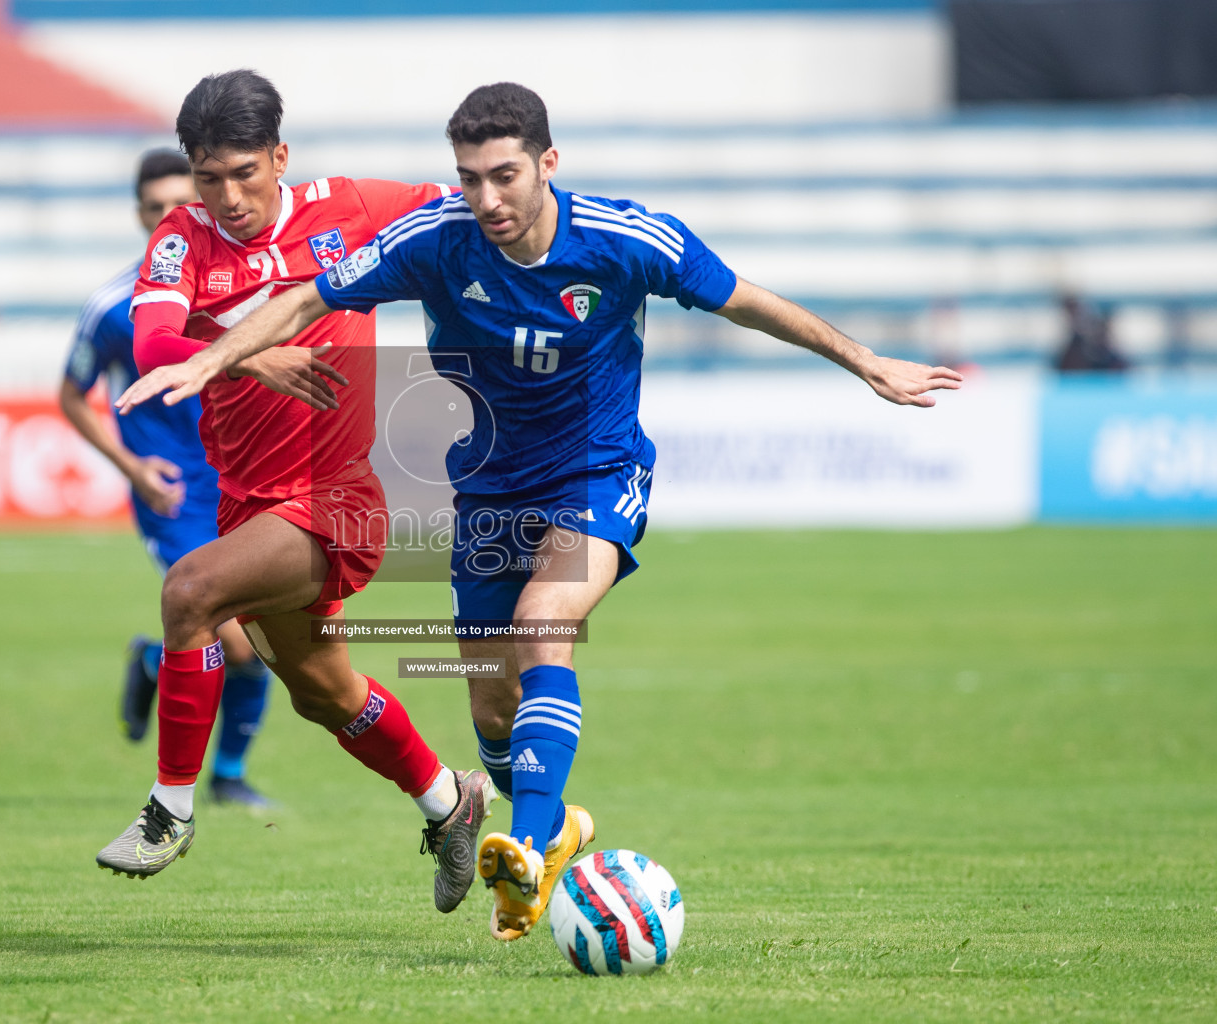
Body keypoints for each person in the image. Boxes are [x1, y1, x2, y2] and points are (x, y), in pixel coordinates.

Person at [117, 82, 964, 941]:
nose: (487, 198)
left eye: (504, 176)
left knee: (544, 622)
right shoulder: (436, 242)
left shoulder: (626, 239)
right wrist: (218, 358)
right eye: (469, 179)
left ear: (547, 165)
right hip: (487, 487)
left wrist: (863, 362)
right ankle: (545, 824)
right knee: (489, 710)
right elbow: (310, 298)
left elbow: (744, 297)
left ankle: (521, 850)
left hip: (596, 472)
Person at [94, 70, 496, 917]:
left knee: (189, 593)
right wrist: (249, 347)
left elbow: (472, 208)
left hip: (337, 498)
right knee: (324, 693)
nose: (229, 196)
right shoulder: (183, 237)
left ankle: (170, 810)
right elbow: (155, 338)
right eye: (210, 177)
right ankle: (448, 802)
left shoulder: (349, 207)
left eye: (245, 173)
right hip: (251, 502)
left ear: (280, 157)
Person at [59, 149, 274, 809]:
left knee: (264, 640)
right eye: (154, 209)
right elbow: (71, 394)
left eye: (178, 205)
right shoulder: (113, 306)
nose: (167, 219)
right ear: (139, 214)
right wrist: (131, 467)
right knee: (234, 637)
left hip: (241, 485)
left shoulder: (235, 291)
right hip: (173, 495)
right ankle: (223, 778)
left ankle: (165, 670)